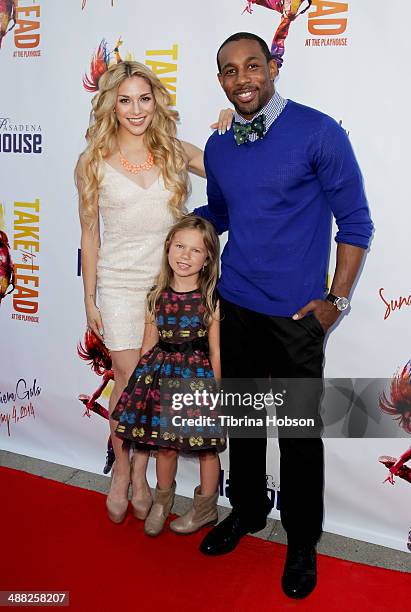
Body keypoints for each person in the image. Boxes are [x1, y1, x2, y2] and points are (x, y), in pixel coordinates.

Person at [194, 32, 373, 599]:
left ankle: (301, 541)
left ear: (273, 67)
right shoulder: (220, 146)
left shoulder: (318, 132)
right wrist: (168, 227)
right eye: (229, 70)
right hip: (238, 307)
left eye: (253, 65)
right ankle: (246, 512)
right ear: (220, 79)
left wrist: (335, 302)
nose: (242, 78)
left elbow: (357, 224)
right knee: (245, 425)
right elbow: (220, 213)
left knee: (298, 435)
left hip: (299, 317)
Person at [75, 61, 232, 524]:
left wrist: (231, 125)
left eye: (144, 98)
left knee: (159, 387)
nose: (136, 109)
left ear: (155, 101)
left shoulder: (172, 150)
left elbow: (233, 167)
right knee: (128, 382)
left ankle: (141, 468)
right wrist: (89, 299)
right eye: (125, 100)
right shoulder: (93, 161)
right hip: (121, 285)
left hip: (172, 284)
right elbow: (89, 236)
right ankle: (125, 470)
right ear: (111, 105)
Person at [111, 216, 225, 536]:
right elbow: (148, 343)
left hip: (197, 377)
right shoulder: (156, 295)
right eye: (179, 246)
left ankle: (204, 508)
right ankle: (162, 502)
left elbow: (216, 351)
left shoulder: (210, 298)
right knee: (164, 446)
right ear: (167, 249)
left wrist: (215, 391)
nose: (185, 256)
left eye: (195, 250)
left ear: (207, 260)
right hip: (160, 375)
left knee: (206, 448)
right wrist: (136, 387)